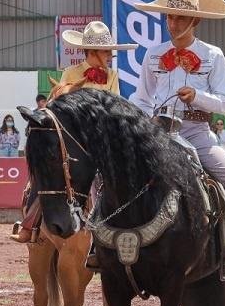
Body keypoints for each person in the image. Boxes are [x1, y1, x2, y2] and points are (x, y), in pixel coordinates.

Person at [132, 0, 225, 282]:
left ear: (195, 20)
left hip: (197, 133)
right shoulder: (154, 54)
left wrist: (196, 96)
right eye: (170, 17)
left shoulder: (214, 55)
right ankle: (105, 242)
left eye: (180, 17)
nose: (173, 23)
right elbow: (142, 99)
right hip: (158, 134)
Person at [12, 21, 137, 245]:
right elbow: (57, 107)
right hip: (72, 142)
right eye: (107, 51)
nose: (110, 55)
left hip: (100, 142)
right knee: (47, 174)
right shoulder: (70, 73)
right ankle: (29, 225)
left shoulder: (112, 76)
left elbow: (115, 109)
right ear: (92, 51)